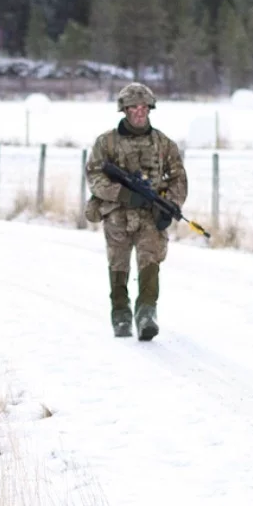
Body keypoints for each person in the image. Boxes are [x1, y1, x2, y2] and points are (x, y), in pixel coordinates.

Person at [83, 82, 187, 340]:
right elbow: (95, 176)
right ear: (124, 110)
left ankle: (146, 313)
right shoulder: (106, 143)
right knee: (118, 263)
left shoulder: (164, 144)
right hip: (117, 214)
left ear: (149, 109)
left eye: (143, 107)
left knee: (150, 261)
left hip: (150, 216)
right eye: (133, 108)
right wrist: (123, 194)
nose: (139, 112)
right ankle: (120, 313)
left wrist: (169, 205)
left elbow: (179, 179)